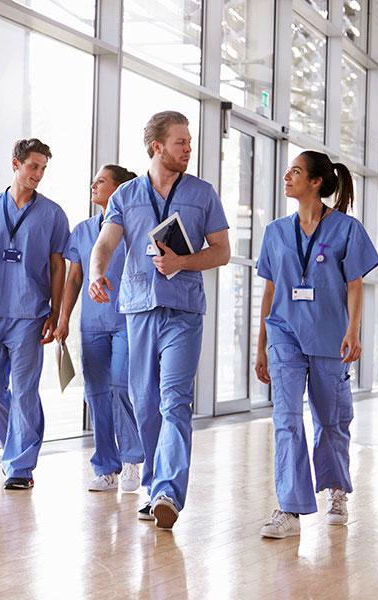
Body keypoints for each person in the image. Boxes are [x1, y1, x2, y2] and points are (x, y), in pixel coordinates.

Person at [89, 111, 230, 529]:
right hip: (138, 310)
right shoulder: (126, 196)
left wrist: (183, 262)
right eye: (181, 142)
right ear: (157, 146)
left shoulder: (203, 194)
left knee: (173, 401)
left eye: (189, 142)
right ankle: (154, 487)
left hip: (184, 311)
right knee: (146, 404)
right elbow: (105, 243)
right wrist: (98, 273)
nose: (189, 148)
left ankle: (168, 489)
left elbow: (221, 250)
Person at [255, 150, 378, 539]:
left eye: (295, 171)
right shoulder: (276, 231)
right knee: (286, 420)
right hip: (284, 336)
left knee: (331, 420)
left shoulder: (347, 229)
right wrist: (260, 345)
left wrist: (353, 331)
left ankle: (337, 489)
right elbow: (270, 288)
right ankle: (289, 508)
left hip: (329, 336)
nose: (286, 176)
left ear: (316, 182)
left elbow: (355, 283)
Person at [0, 138, 69, 491]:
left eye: (43, 169)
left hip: (30, 314)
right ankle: (14, 448)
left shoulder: (52, 214)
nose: (38, 174)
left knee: (24, 391)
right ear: (15, 164)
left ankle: (20, 465)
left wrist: (55, 311)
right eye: (33, 166)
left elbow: (57, 266)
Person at [54, 165, 144, 493]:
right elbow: (74, 277)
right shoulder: (81, 230)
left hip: (126, 321)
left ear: (120, 190)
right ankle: (106, 466)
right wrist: (63, 319)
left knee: (121, 387)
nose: (94, 184)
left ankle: (133, 459)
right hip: (91, 325)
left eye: (102, 181)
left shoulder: (134, 229)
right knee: (96, 396)